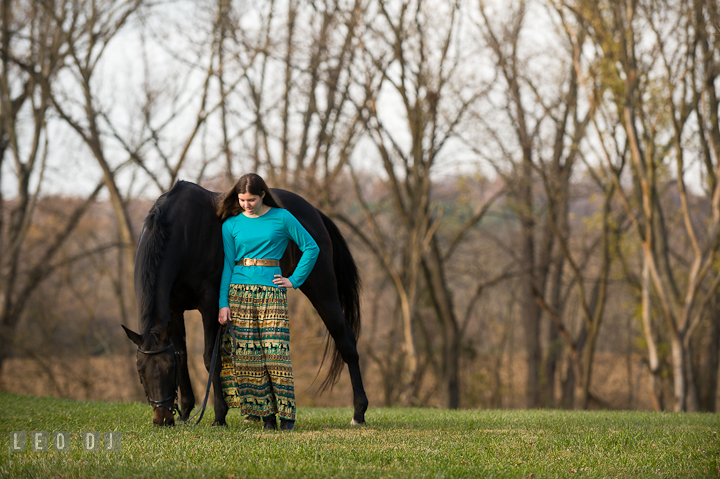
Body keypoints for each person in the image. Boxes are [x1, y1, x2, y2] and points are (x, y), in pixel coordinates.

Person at [216, 173, 319, 431]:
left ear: (263, 195)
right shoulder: (230, 225)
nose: (246, 204)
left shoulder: (282, 218)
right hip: (238, 292)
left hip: (271, 292)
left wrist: (294, 280)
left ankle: (287, 417)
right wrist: (222, 303)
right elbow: (228, 265)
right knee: (248, 356)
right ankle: (266, 417)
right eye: (241, 200)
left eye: (251, 199)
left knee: (275, 353)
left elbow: (311, 248)